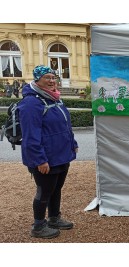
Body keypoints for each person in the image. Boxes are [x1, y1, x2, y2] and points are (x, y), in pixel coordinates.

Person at [18, 65, 78, 239]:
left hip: (60, 154)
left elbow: (65, 124)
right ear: (37, 80)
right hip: (46, 158)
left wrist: (72, 142)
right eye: (47, 77)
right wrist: (39, 160)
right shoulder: (31, 103)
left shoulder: (54, 98)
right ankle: (38, 226)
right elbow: (31, 136)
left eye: (53, 77)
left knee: (56, 188)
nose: (52, 81)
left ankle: (53, 218)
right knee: (44, 191)